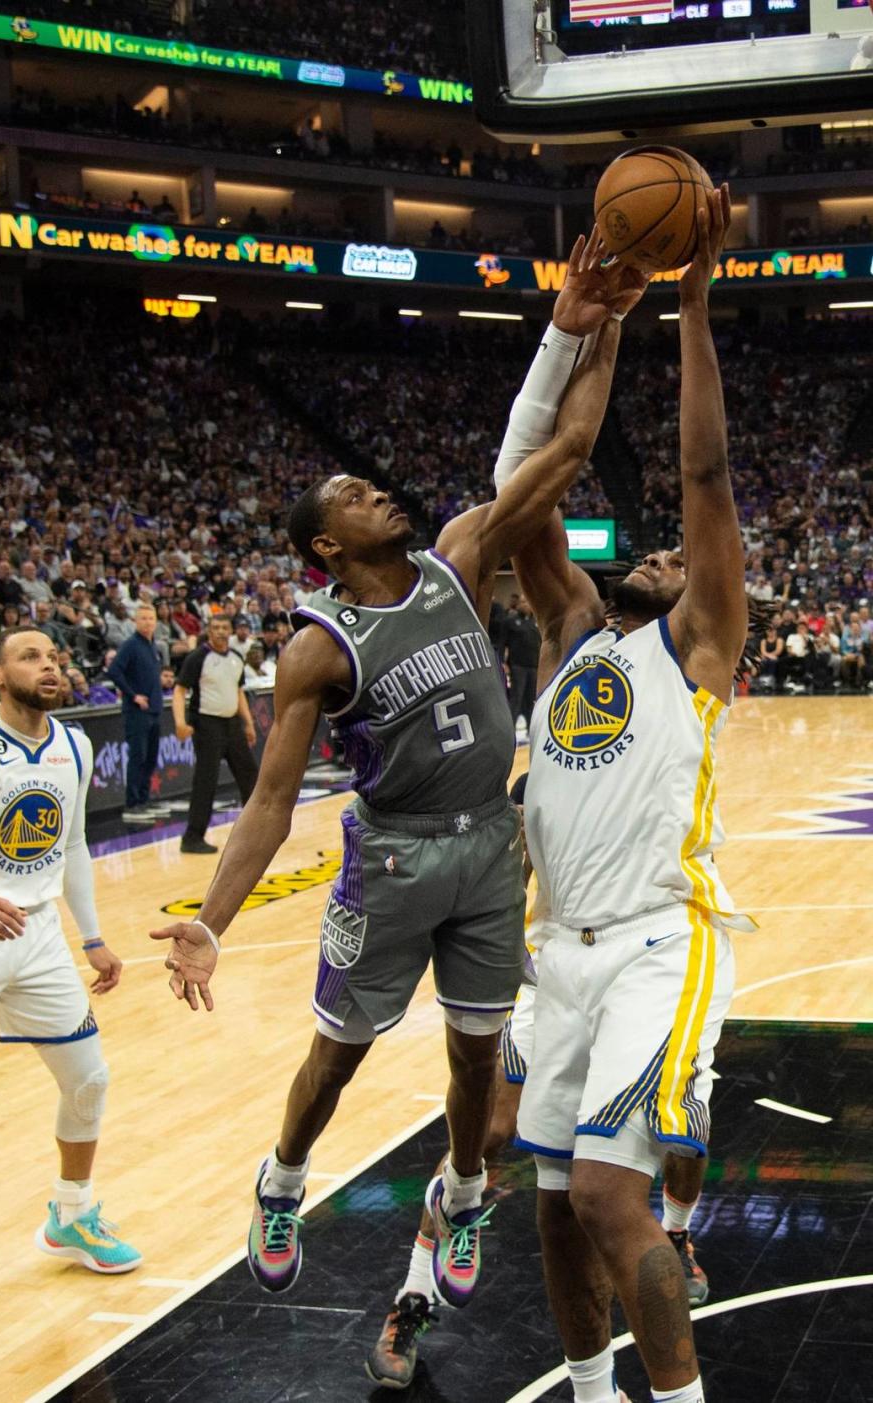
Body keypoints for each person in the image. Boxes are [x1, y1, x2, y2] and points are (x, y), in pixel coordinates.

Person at [150, 233, 645, 1313]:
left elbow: (566, 450)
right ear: (327, 545)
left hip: (485, 843)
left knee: (477, 1057)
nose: (381, 495)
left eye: (375, 486)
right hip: (393, 857)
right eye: (358, 496)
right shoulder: (316, 647)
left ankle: (464, 1187)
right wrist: (212, 921)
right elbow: (270, 804)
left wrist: (609, 320)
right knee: (340, 1053)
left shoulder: (458, 555)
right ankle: (283, 1179)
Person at [508, 189, 747, 1403]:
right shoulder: (570, 633)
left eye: (669, 551)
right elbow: (520, 499)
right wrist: (574, 331)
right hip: (560, 953)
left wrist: (691, 307)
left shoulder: (698, 638)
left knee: (610, 1192)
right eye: (642, 551)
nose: (657, 551)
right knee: (550, 1200)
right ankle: (591, 1393)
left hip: (662, 935)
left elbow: (702, 467)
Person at [368, 782, 711, 1389]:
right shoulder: (536, 800)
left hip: (653, 966)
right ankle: (417, 1288)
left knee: (680, 1143)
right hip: (550, 973)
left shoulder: (654, 781)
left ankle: (678, 1230)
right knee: (491, 1131)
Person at [0, 626, 139, 1271]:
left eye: (53, 657)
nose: (49, 666)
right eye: (30, 656)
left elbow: (69, 848)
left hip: (37, 936)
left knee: (88, 1080)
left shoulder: (75, 745)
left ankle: (72, 1216)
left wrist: (92, 938)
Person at [173, 615, 258, 856]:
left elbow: (238, 691)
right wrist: (180, 722)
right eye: (216, 627)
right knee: (206, 781)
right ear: (209, 631)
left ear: (231, 631)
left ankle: (255, 831)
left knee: (250, 775)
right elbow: (179, 691)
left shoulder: (236, 658)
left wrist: (248, 723)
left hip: (232, 724)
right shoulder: (198, 657)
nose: (220, 631)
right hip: (206, 724)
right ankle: (192, 837)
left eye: (224, 627)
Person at [107, 602, 168, 822]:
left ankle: (144, 800)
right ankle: (132, 804)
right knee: (138, 757)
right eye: (143, 618)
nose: (147, 622)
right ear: (135, 621)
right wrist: (133, 695)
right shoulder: (131, 645)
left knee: (150, 758)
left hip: (154, 710)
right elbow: (114, 671)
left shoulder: (153, 646)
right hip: (137, 712)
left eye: (151, 619)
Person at [505, 597, 541, 730]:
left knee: (531, 698)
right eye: (523, 602)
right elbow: (503, 643)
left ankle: (531, 727)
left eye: (528, 602)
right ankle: (510, 727)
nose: (525, 605)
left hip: (533, 665)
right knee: (517, 697)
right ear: (518, 605)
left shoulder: (535, 622)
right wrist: (504, 663)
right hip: (517, 665)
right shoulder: (511, 621)